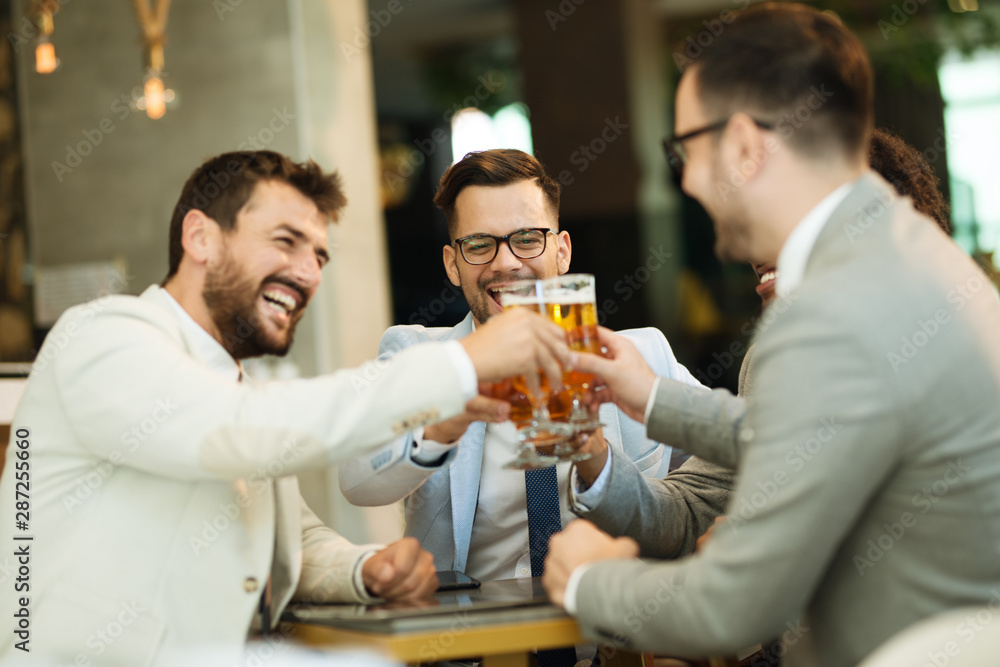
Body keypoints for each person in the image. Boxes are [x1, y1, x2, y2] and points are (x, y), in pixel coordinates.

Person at [541, 4, 1000, 667]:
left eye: (684, 151)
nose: (687, 182)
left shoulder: (822, 312)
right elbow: (812, 436)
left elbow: (735, 604)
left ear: (745, 148)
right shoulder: (909, 249)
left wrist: (589, 578)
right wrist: (648, 395)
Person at [0, 150, 573, 666]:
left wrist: (363, 569)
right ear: (200, 238)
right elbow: (237, 429)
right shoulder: (102, 337)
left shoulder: (233, 388)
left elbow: (292, 539)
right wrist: (462, 363)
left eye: (319, 255)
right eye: (285, 241)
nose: (307, 272)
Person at [339, 149, 729, 589]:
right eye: (480, 245)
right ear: (453, 263)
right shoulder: (420, 357)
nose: (505, 263)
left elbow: (734, 465)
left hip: (617, 643)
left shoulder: (640, 356)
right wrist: (441, 425)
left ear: (562, 251)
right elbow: (356, 479)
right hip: (478, 648)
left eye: (527, 239)